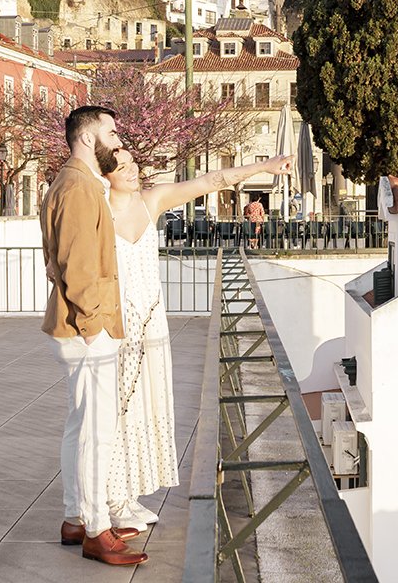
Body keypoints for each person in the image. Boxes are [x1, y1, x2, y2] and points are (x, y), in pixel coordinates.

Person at [103, 149, 293, 533]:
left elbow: (210, 182)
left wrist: (265, 166)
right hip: (115, 324)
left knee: (146, 405)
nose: (132, 170)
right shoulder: (97, 209)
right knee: (115, 410)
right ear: (105, 174)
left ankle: (129, 494)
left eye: (132, 163)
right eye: (121, 166)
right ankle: (110, 498)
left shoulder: (150, 201)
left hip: (152, 320)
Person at [39, 105, 146, 568]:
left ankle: (75, 518)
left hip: (77, 325)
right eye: (111, 132)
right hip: (88, 329)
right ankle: (96, 528)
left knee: (80, 423)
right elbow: (78, 268)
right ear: (87, 138)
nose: (117, 139)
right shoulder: (80, 188)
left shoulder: (68, 183)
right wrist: (95, 327)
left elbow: (55, 259)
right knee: (96, 431)